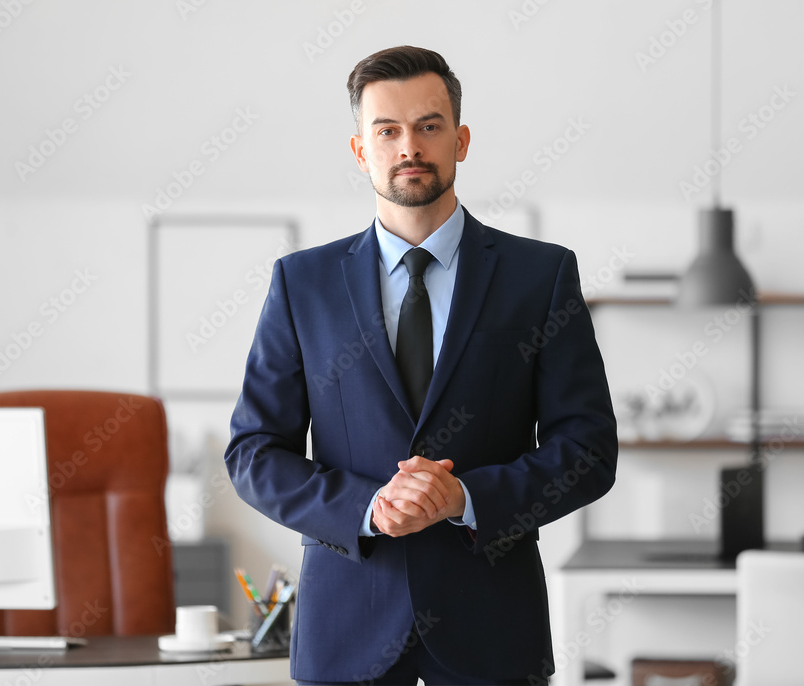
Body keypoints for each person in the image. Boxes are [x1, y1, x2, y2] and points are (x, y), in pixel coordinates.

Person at [225, 45, 617, 685]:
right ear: (361, 150)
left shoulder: (539, 277)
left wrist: (464, 497)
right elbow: (252, 453)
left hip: (492, 632)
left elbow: (589, 450)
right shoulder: (303, 283)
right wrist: (368, 507)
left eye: (429, 126)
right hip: (345, 629)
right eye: (387, 130)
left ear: (460, 140)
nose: (410, 146)